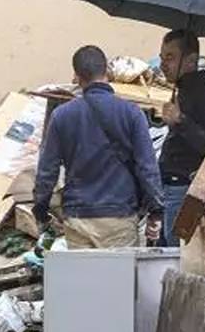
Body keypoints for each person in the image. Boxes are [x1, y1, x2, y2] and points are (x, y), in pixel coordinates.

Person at [33, 45, 164, 249]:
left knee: (83, 271)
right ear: (107, 73)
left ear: (77, 77)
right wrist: (156, 211)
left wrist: (41, 210)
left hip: (78, 217)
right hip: (120, 217)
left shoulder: (61, 116)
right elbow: (147, 167)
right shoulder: (132, 113)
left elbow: (47, 170)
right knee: (120, 271)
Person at [155, 29, 205, 245]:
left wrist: (181, 121)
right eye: (162, 57)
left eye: (170, 57)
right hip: (170, 189)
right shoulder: (183, 91)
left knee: (177, 256)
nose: (163, 64)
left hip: (186, 190)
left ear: (191, 60)